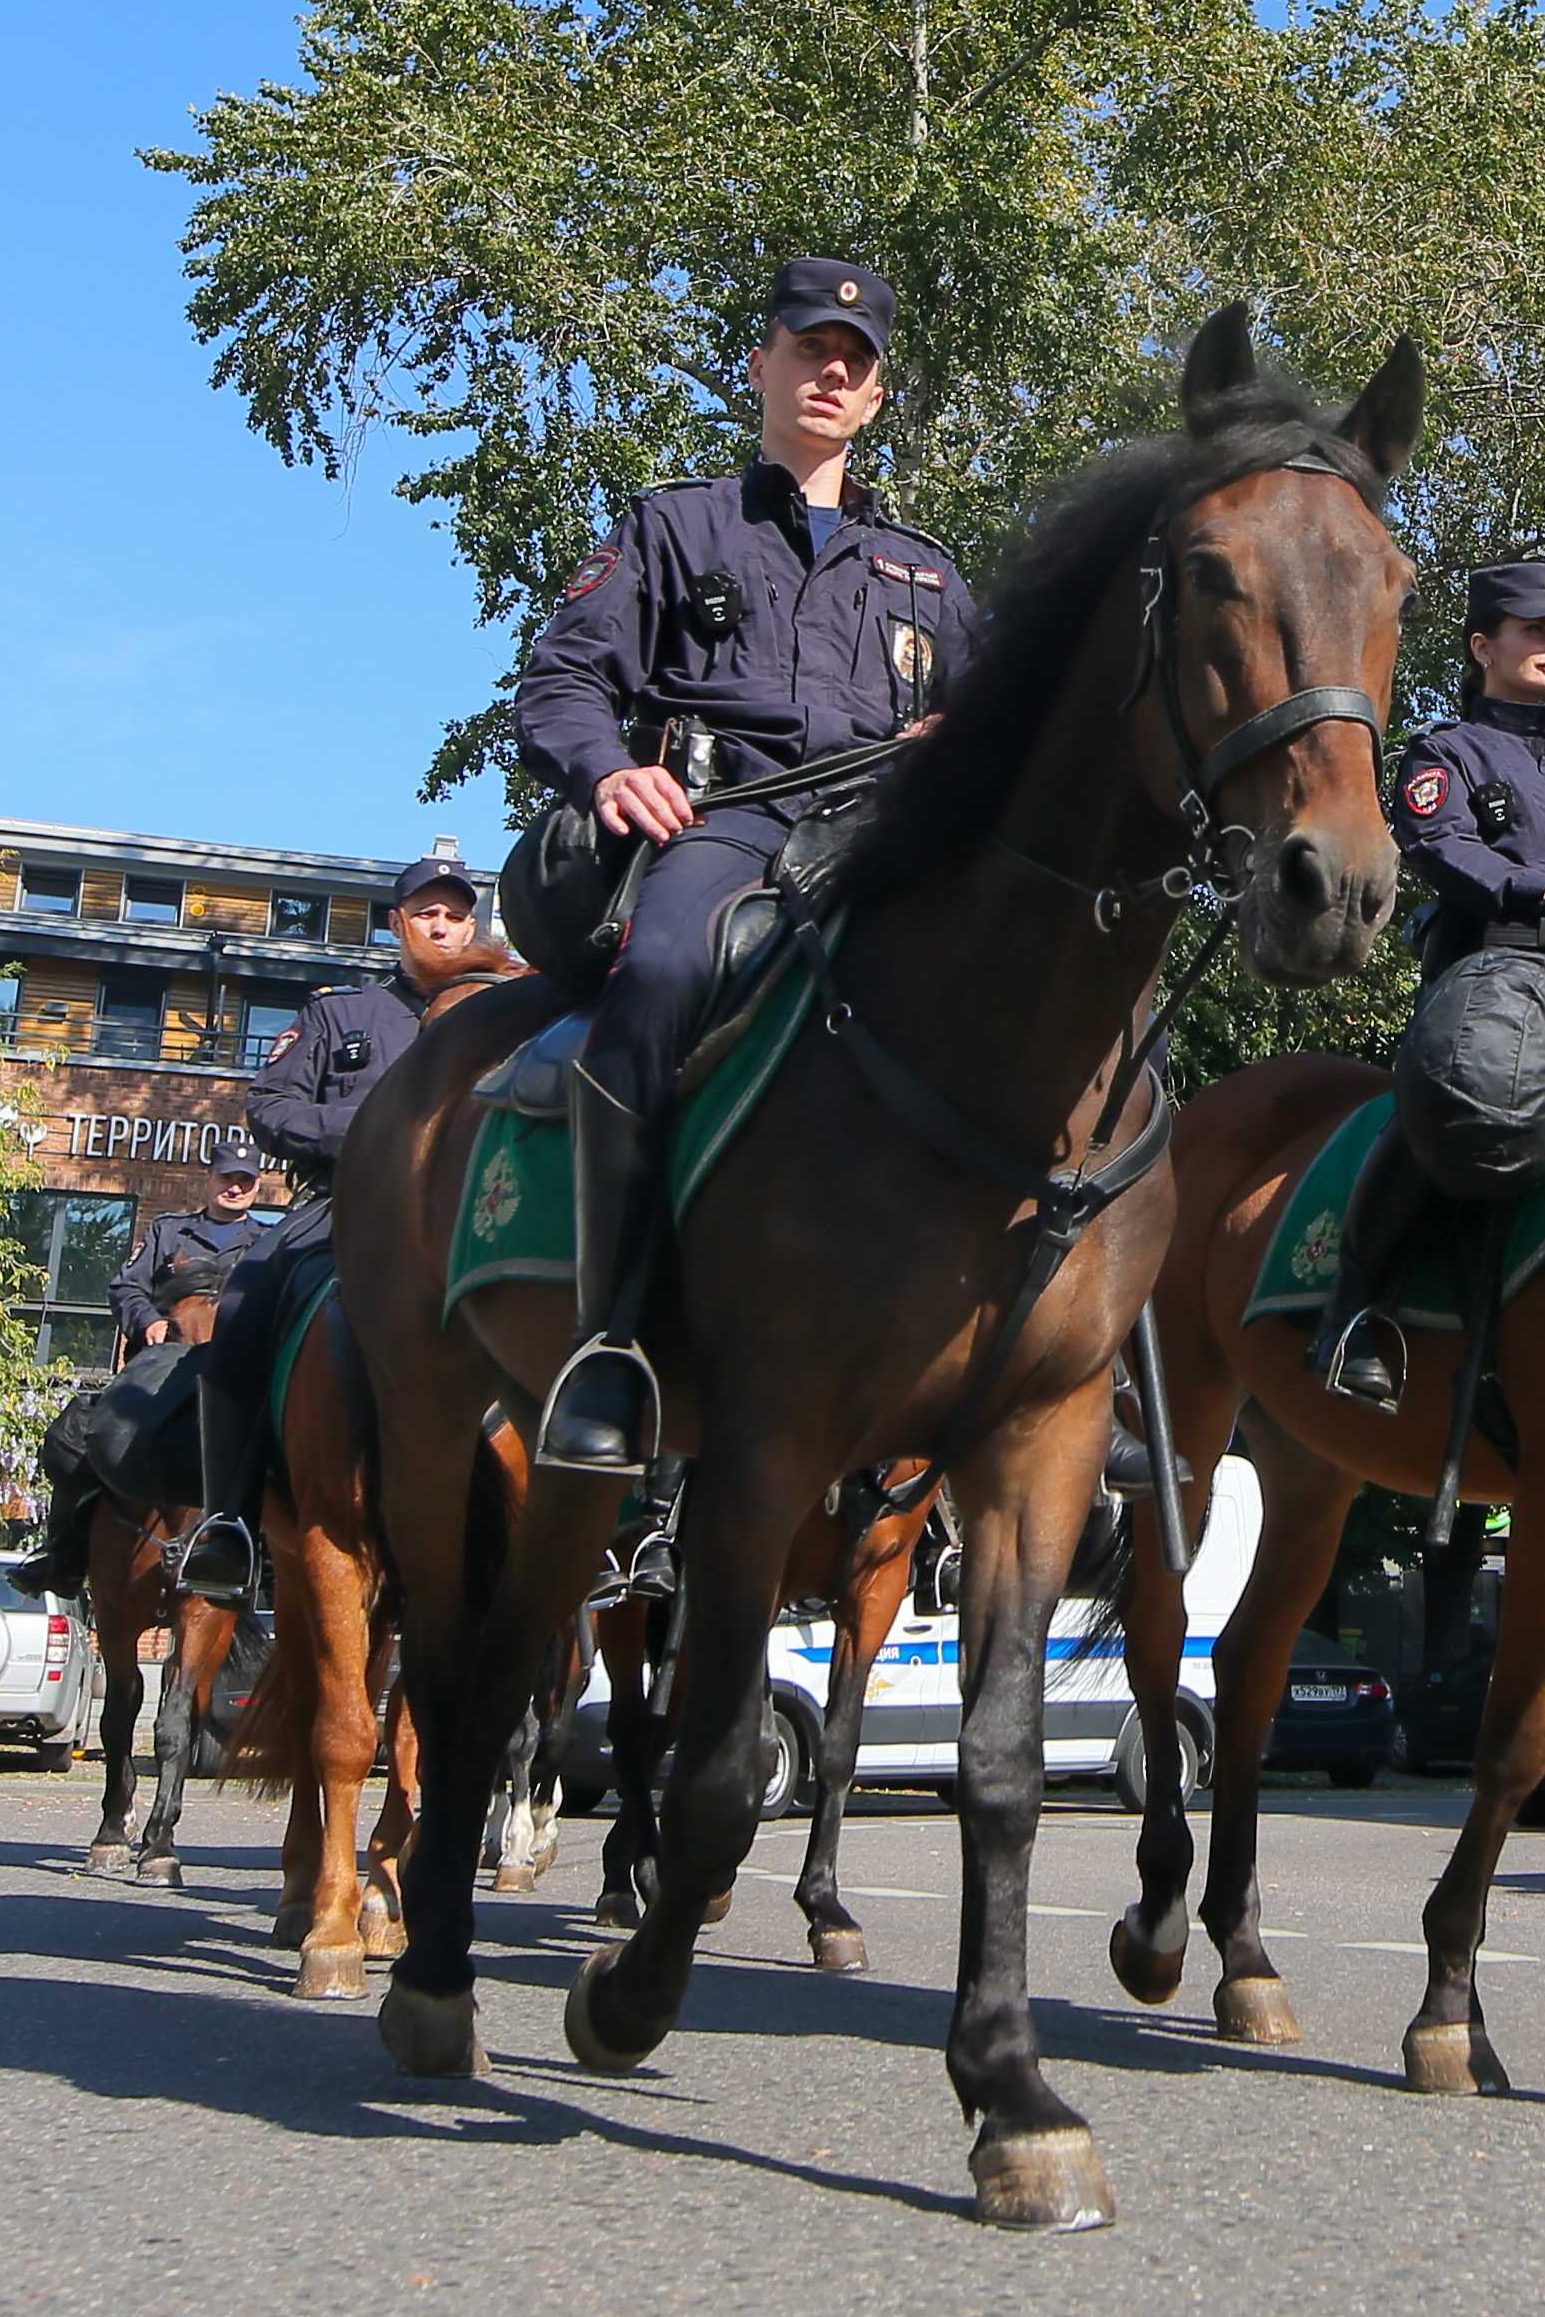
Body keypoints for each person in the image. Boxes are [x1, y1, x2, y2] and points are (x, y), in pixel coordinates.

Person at [508, 254, 977, 1477]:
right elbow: (562, 679)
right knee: (661, 969)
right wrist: (609, 770)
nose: (831, 371)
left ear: (875, 397)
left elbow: (1009, 736)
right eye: (810, 348)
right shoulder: (676, 526)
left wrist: (961, 742)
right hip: (728, 825)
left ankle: (1050, 1361)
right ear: (759, 363)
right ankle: (608, 1337)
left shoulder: (930, 574)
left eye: (855, 360)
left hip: (887, 843)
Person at [1306, 561, 1545, 1412]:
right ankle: (1356, 1308)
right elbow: (1439, 842)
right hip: (1499, 969)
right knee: (1476, 1085)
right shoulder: (1445, 750)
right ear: (1484, 646)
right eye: (1534, 631)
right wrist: (1534, 892)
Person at [177, 856, 484, 1596]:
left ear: (473, 927)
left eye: (454, 914)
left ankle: (608, 1527)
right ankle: (230, 1521)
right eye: (424, 913)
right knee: (245, 1303)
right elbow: (270, 1106)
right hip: (343, 1205)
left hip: (479, 1203)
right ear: (396, 925)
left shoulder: (501, 1012)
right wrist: (377, 1129)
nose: (439, 926)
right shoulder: (337, 1013)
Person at [109, 1134, 278, 1353]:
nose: (234, 1189)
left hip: (239, 1362)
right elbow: (125, 1288)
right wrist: (149, 1321)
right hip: (164, 1357)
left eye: (244, 1180)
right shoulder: (168, 1231)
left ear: (257, 1186)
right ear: (208, 1178)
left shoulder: (271, 1242)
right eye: (226, 1178)